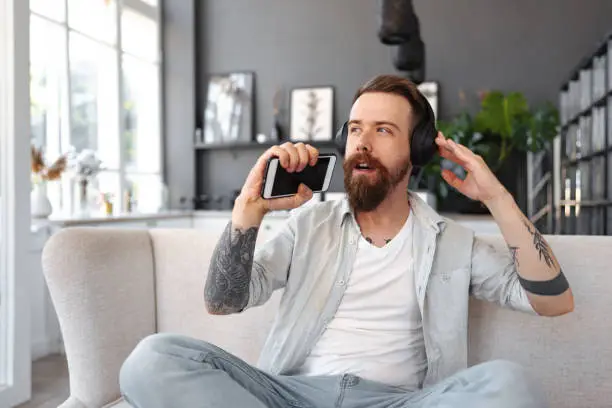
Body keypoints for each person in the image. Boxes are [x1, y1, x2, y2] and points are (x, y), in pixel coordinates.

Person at [119, 74, 574, 408]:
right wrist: (249, 209)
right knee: (153, 358)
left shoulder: (453, 243)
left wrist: (494, 194)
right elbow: (222, 301)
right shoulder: (308, 224)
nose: (362, 142)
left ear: (415, 153)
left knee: (511, 385)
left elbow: (554, 302)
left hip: (399, 402)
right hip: (289, 396)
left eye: (383, 130)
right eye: (355, 129)